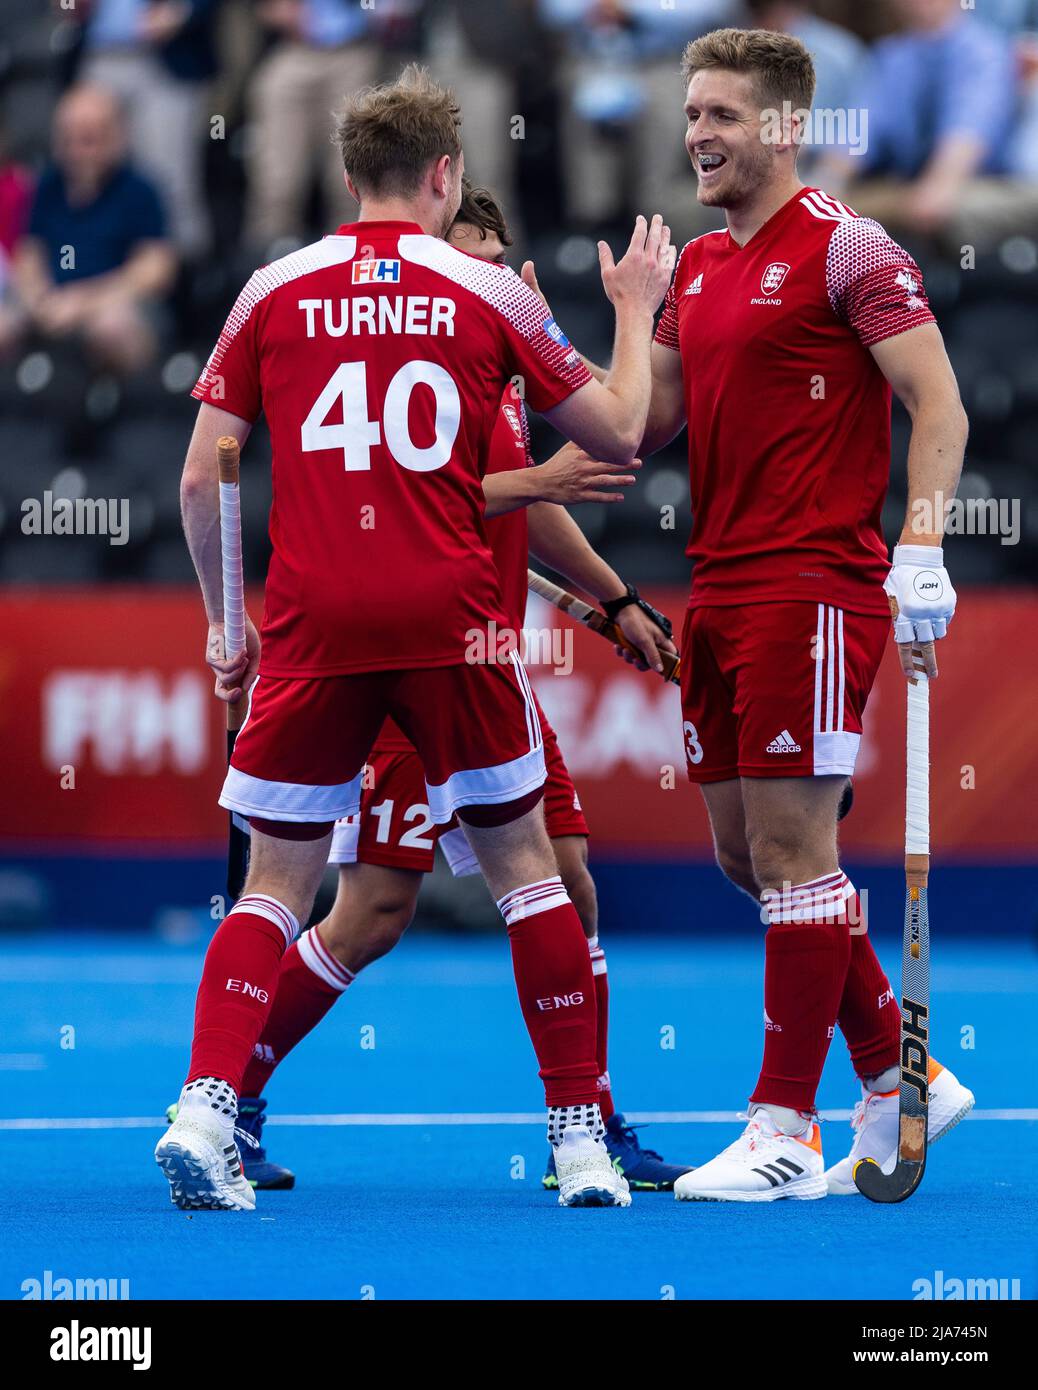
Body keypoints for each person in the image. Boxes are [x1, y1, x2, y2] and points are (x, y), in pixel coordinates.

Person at [159, 65, 675, 1211]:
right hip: (455, 621)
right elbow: (624, 431)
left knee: (275, 886)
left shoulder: (270, 288)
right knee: (529, 876)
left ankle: (205, 1106)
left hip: (314, 618)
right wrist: (636, 309)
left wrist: (225, 625)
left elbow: (204, 479)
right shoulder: (488, 290)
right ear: (446, 176)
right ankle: (581, 1140)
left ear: (349, 177)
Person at [619, 26, 973, 1200]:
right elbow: (638, 429)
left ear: (783, 126)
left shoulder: (848, 247)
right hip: (715, 582)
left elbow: (939, 404)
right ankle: (895, 1066)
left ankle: (784, 1131)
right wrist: (626, 315)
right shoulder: (703, 270)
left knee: (791, 849)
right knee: (744, 852)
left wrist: (920, 545)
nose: (698, 135)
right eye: (691, 113)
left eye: (721, 114)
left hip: (812, 580)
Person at [0, 85, 176, 373]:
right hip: (52, 304)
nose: (77, 151)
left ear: (117, 138)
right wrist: (39, 299)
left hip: (115, 304)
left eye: (90, 140)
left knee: (110, 328)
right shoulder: (47, 187)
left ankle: (120, 410)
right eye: (68, 140)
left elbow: (155, 269)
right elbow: (29, 253)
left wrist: (83, 302)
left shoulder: (140, 190)